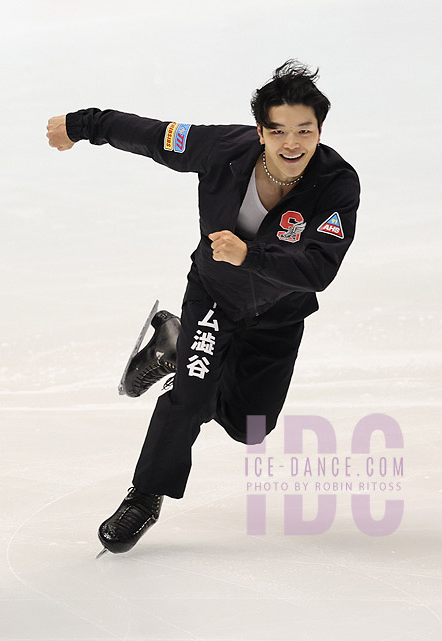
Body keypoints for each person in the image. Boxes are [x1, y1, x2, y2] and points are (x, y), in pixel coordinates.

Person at [46, 60, 359, 554]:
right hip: (214, 297)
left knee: (250, 427)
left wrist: (249, 253)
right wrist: (84, 125)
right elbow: (152, 136)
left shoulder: (337, 183)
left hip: (279, 316)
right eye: (278, 131)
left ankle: (173, 345)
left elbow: (320, 268)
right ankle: (144, 497)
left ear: (320, 130)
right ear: (260, 131)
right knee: (191, 395)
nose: (292, 143)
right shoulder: (222, 150)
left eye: (305, 130)